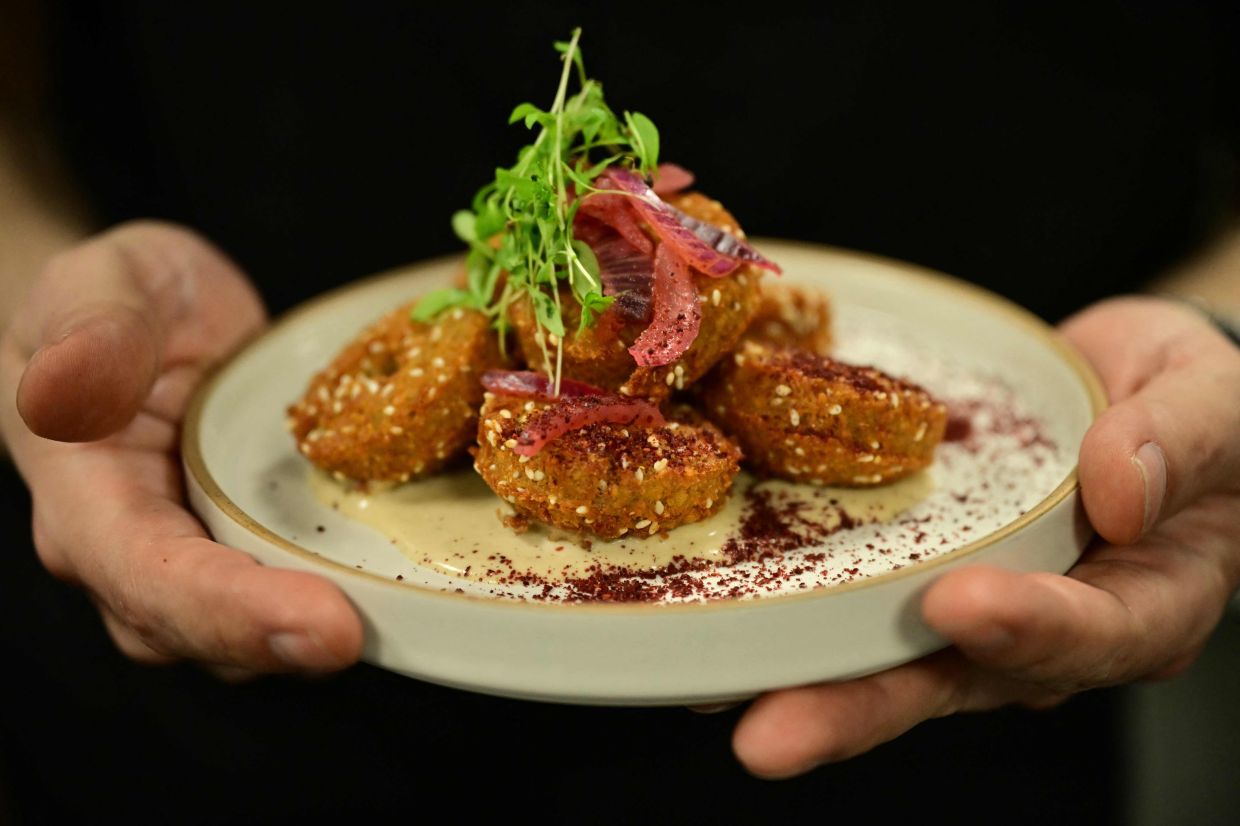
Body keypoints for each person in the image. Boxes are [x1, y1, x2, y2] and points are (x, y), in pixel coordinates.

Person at [2, 3, 1238, 822]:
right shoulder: (492, 341)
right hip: (222, 756)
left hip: (954, 743)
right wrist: (27, 295)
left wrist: (1219, 332)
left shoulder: (747, 359)